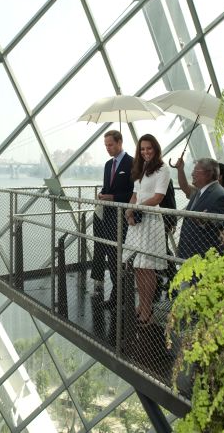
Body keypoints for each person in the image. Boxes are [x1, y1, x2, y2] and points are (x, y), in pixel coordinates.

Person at [122, 134, 171, 324]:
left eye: (149, 148)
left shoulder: (163, 170)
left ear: (156, 149)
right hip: (138, 222)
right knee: (138, 266)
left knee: (148, 267)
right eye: (142, 149)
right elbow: (135, 195)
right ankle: (142, 304)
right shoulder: (142, 168)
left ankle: (148, 309)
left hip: (150, 222)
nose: (145, 152)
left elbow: (158, 197)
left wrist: (136, 208)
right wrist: (129, 210)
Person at [91, 130, 134, 308]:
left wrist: (113, 198)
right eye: (106, 145)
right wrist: (102, 194)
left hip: (123, 218)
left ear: (120, 142)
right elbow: (107, 187)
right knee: (111, 256)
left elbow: (133, 193)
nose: (108, 148)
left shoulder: (132, 163)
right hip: (108, 217)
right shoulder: (108, 165)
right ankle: (117, 296)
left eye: (110, 144)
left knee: (120, 257)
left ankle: (122, 296)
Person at [175, 158, 224, 259]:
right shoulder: (200, 191)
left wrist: (204, 220)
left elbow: (221, 225)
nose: (192, 174)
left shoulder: (221, 196)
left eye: (196, 171)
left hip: (203, 256)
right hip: (191, 253)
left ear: (209, 173)